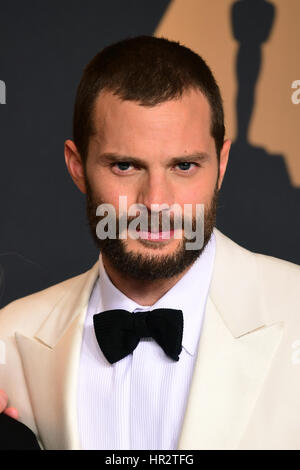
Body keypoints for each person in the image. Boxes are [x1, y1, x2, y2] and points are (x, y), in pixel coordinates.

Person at [0, 36, 299, 451]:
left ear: (221, 165)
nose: (155, 202)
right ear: (77, 167)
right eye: (125, 165)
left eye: (184, 166)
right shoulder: (9, 340)